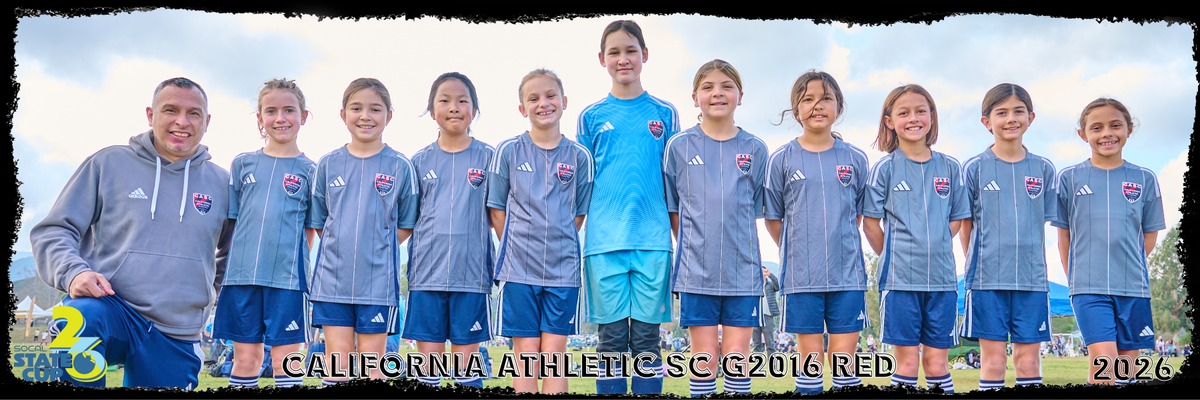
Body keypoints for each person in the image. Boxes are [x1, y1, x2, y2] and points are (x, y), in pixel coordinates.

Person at [31, 77, 231, 389]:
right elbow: (54, 230)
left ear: (207, 122)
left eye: (193, 113)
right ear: (151, 115)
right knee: (77, 321)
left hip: (175, 329)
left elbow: (236, 253)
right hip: (110, 306)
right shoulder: (108, 164)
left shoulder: (223, 184)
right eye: (171, 110)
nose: (182, 121)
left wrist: (209, 292)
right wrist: (74, 273)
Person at [576, 20, 680, 396]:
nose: (623, 59)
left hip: (653, 241)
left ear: (644, 55)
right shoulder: (590, 116)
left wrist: (679, 237)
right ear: (602, 59)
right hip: (604, 243)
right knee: (612, 341)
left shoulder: (665, 113)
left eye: (631, 51)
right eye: (615, 52)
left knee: (648, 341)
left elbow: (674, 182)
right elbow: (582, 184)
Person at [664, 59, 768, 397]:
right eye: (708, 87)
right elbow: (674, 210)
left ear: (740, 95)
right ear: (695, 97)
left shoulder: (755, 149)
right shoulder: (679, 146)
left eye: (726, 86)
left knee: (738, 360)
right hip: (696, 273)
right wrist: (696, 246)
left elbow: (754, 209)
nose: (717, 93)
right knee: (704, 360)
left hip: (743, 272)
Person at [763, 71, 870, 394]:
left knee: (844, 365)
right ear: (796, 110)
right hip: (802, 278)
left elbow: (858, 216)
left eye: (825, 98)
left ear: (839, 106)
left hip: (847, 277)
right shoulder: (781, 159)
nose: (817, 106)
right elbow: (774, 219)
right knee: (810, 365)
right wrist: (800, 248)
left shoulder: (855, 158)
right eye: (807, 99)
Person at [488, 69, 594, 394]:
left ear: (564, 101)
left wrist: (553, 242)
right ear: (523, 108)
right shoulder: (508, 151)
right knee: (526, 354)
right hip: (518, 271)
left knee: (554, 356)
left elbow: (579, 214)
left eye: (550, 96)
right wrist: (521, 246)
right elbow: (497, 210)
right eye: (533, 98)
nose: (543, 103)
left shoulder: (579, 156)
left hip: (563, 272)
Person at [308, 78, 418, 384]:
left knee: (372, 364)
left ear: (389, 116)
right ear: (343, 114)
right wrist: (343, 246)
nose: (365, 116)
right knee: (338, 362)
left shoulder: (400, 166)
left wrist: (376, 247)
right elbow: (320, 222)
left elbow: (406, 223)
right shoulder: (327, 164)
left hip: (378, 284)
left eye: (375, 109)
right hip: (333, 283)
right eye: (356, 108)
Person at [862, 84, 969, 393]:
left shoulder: (950, 167)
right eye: (904, 113)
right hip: (900, 283)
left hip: (942, 282)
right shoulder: (884, 169)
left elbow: (957, 218)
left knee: (936, 364)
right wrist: (895, 253)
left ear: (932, 116)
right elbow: (870, 224)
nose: (913, 118)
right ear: (889, 121)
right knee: (907, 364)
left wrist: (934, 242)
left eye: (921, 111)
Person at [1051, 98, 1165, 385]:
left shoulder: (1144, 178)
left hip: (1133, 288)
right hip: (1089, 288)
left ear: (1129, 129)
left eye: (1115, 125)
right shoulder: (1069, 178)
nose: (1107, 134)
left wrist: (1126, 265)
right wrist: (1075, 277)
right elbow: (1063, 235)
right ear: (1083, 134)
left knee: (1127, 372)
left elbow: (1149, 234)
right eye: (1097, 127)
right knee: (1106, 368)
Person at [213, 78, 316, 389]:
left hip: (287, 282)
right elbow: (232, 225)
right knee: (246, 360)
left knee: (286, 361)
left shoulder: (311, 171)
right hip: (241, 279)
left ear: (303, 116)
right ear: (260, 118)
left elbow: (309, 231)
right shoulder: (243, 164)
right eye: (271, 111)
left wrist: (291, 266)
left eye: (289, 110)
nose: (280, 118)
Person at [956, 83, 1057, 390]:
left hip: (1031, 280)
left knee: (1028, 361)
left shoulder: (1043, 168)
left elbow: (1041, 222)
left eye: (1018, 111)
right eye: (1002, 113)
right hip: (987, 281)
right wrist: (979, 264)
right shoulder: (973, 168)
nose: (1011, 119)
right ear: (987, 121)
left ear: (1031, 117)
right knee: (994, 360)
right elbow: (966, 227)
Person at [404, 72, 495, 389]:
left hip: (472, 277)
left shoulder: (490, 158)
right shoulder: (418, 162)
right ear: (432, 111)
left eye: (462, 101)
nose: (454, 107)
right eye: (444, 101)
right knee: (427, 369)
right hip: (426, 276)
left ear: (474, 109)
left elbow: (499, 216)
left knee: (466, 370)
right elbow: (407, 220)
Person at [750, 266, 780, 356]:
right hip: (755, 316)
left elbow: (778, 286)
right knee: (756, 343)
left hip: (767, 315)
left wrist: (770, 275)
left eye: (763, 272)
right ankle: (757, 362)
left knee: (770, 342)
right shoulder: (753, 285)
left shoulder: (770, 284)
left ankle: (772, 361)